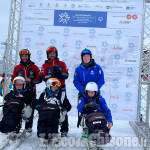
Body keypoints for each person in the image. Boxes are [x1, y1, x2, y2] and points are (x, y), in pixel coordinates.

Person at [41, 46, 70, 137]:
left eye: (53, 53)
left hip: (61, 89)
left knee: (62, 108)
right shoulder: (45, 65)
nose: (51, 55)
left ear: (56, 53)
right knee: (49, 108)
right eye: (50, 53)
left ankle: (64, 130)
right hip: (50, 89)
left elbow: (66, 75)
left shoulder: (62, 63)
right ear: (47, 55)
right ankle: (48, 127)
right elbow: (42, 77)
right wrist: (51, 75)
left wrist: (59, 73)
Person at [12, 49, 42, 133]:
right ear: (20, 57)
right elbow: (13, 78)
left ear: (29, 56)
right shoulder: (17, 68)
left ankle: (28, 126)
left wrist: (31, 81)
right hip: (20, 91)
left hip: (31, 91)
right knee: (18, 107)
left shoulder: (34, 67)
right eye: (23, 56)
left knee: (30, 107)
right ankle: (17, 124)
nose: (24, 57)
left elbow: (39, 79)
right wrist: (17, 82)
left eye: (26, 56)